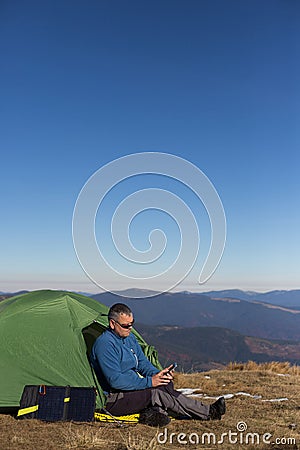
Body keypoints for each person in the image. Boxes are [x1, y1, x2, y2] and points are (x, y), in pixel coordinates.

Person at [90, 303, 226, 427]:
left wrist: (158, 374)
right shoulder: (105, 344)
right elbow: (115, 381)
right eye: (126, 325)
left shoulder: (129, 338)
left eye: (132, 324)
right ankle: (208, 412)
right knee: (156, 392)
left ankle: (153, 413)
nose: (130, 328)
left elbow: (142, 363)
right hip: (114, 398)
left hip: (130, 391)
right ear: (112, 324)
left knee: (165, 384)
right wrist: (150, 382)